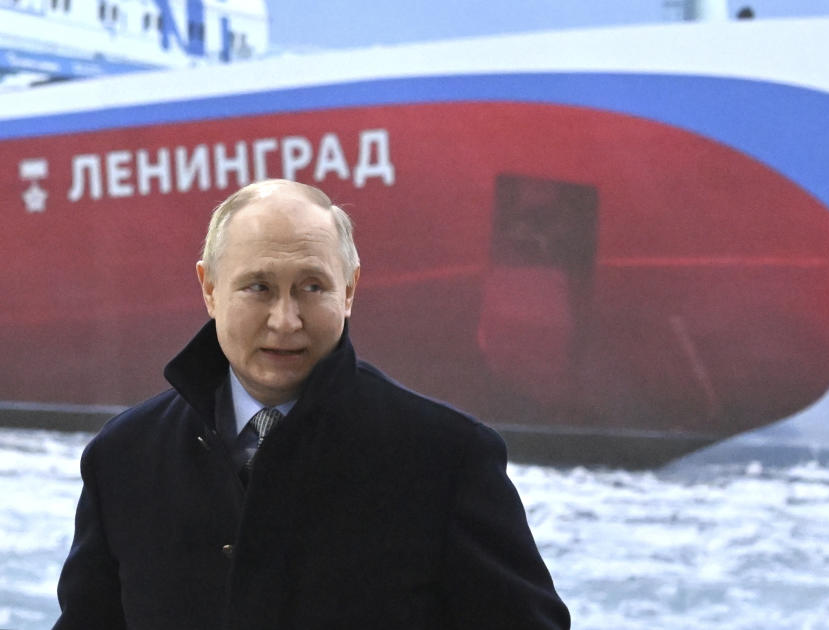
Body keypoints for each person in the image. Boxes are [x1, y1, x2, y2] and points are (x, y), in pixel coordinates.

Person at [53, 179, 570, 629]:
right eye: (258, 287)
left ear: (349, 291)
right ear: (209, 289)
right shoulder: (122, 459)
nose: (286, 320)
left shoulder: (447, 458)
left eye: (312, 287)